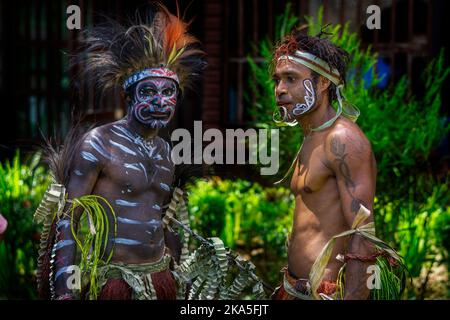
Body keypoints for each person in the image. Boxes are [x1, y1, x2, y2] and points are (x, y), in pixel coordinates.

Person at [36, 4, 206, 300]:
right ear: (128, 96)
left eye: (168, 93)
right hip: (114, 282)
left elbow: (161, 221)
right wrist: (65, 290)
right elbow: (68, 219)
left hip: (160, 278)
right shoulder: (100, 143)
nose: (159, 101)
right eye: (149, 92)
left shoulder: (166, 153)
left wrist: (181, 272)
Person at [270, 29, 390, 300]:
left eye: (291, 79)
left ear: (323, 83)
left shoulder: (343, 140)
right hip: (294, 289)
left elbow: (363, 232)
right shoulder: (313, 135)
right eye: (277, 80)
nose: (280, 90)